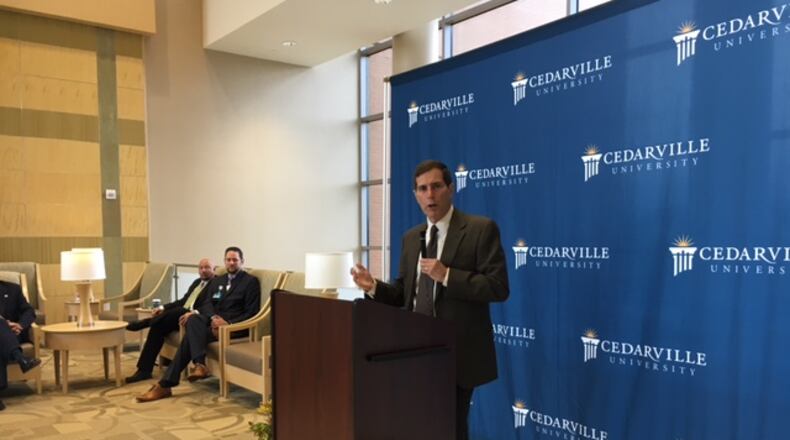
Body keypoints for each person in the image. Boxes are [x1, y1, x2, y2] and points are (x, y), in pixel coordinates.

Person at [351, 160, 509, 440]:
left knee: (450, 427)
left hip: (456, 353)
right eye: (422, 189)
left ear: (451, 188)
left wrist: (447, 275)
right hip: (413, 351)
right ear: (415, 195)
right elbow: (404, 293)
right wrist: (373, 286)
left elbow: (497, 287)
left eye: (436, 186)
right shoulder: (412, 237)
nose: (430, 195)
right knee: (418, 424)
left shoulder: (479, 229)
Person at [136, 247, 261, 402]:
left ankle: (167, 384)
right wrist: (213, 317)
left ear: (242, 261)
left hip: (233, 328)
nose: (231, 262)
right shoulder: (218, 281)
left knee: (190, 336)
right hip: (213, 323)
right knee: (193, 319)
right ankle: (198, 365)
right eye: (228, 259)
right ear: (224, 261)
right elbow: (208, 304)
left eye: (235, 259)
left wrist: (227, 323)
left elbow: (251, 312)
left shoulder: (250, 282)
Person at [124, 258, 216, 383]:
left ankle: (145, 323)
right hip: (181, 315)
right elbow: (183, 301)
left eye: (207, 268)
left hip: (195, 318)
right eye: (201, 268)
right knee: (158, 327)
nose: (204, 270)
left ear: (214, 269)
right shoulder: (196, 283)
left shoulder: (216, 284)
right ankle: (144, 370)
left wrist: (193, 312)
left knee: (180, 311)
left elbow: (211, 305)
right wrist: (163, 308)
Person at [0, 278, 42, 411]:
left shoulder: (13, 289)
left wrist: (20, 325)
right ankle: (21, 358)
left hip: (11, 335)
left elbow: (29, 311)